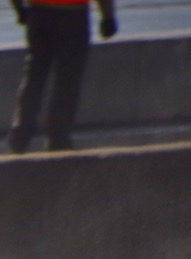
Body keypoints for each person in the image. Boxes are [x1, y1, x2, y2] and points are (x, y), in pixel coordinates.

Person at [7, 0, 118, 153]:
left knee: (34, 77)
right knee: (67, 80)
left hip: (39, 12)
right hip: (73, 13)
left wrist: (19, 9)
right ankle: (58, 139)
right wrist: (108, 17)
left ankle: (20, 136)